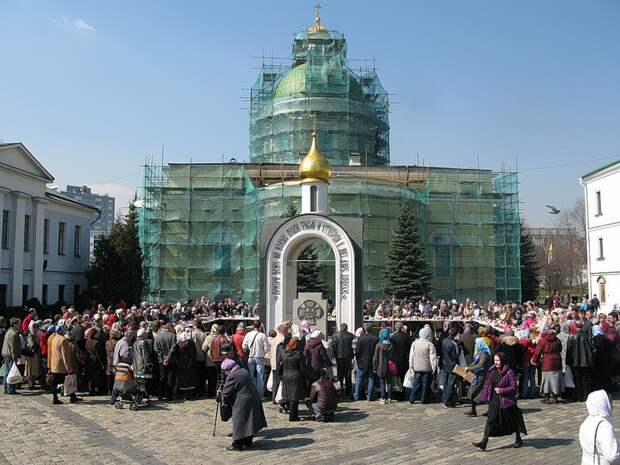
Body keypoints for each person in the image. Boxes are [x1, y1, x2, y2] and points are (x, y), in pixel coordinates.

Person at [472, 353, 527, 451]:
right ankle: (484, 442)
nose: (496, 362)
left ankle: (518, 438)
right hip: (494, 400)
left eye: (498, 360)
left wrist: (502, 390)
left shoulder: (509, 372)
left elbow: (514, 388)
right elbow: (488, 384)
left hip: (506, 401)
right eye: (495, 360)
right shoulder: (492, 371)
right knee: (490, 421)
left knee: (511, 421)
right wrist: (484, 395)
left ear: (503, 360)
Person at [220, 358, 268, 451]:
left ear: (229, 369)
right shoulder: (243, 371)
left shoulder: (233, 375)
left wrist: (221, 397)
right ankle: (248, 441)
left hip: (244, 401)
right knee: (250, 421)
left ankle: (237, 444)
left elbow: (227, 391)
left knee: (239, 421)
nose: (225, 373)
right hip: (252, 398)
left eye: (226, 371)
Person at [579, 390, 619, 465]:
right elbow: (612, 456)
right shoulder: (604, 426)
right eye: (609, 402)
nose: (612, 406)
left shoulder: (585, 423)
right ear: (602, 403)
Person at [49, 324, 81, 404]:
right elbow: (65, 355)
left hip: (55, 364)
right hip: (61, 365)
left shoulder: (54, 338)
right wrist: (69, 368)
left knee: (56, 382)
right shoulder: (63, 340)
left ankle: (58, 397)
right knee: (68, 380)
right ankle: (71, 397)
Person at [532, 329, 563, 404]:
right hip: (557, 361)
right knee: (556, 380)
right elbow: (560, 349)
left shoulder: (542, 341)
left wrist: (535, 360)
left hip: (547, 361)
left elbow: (537, 352)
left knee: (546, 381)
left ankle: (547, 398)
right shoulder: (557, 340)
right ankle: (555, 397)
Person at [408, 325, 437, 404]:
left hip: (417, 367)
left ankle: (412, 398)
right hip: (427, 367)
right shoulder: (430, 345)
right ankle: (424, 400)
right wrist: (434, 368)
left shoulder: (414, 343)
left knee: (416, 384)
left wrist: (411, 365)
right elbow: (433, 358)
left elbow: (411, 355)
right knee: (425, 385)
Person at [464, 337, 492, 417]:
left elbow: (480, 364)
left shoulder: (484, 353)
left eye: (476, 343)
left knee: (474, 391)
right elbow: (475, 362)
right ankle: (474, 410)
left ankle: (474, 410)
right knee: (478, 392)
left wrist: (469, 368)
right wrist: (467, 367)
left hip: (481, 375)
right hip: (478, 374)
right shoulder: (481, 352)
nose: (475, 345)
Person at [567, 320, 594, 402]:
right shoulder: (588, 336)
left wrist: (568, 361)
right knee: (586, 380)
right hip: (586, 362)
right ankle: (586, 396)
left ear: (575, 327)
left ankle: (579, 397)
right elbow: (592, 348)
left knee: (577, 380)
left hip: (576, 362)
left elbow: (569, 350)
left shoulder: (572, 337)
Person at [280, 336, 306, 421]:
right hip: (295, 375)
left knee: (288, 394)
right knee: (294, 396)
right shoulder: (299, 354)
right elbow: (302, 368)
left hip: (286, 375)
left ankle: (288, 410)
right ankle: (293, 416)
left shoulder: (284, 353)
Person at [242, 321, 270, 398]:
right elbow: (267, 348)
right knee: (260, 376)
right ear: (260, 326)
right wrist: (262, 351)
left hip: (250, 357)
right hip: (259, 356)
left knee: (251, 376)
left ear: (252, 326)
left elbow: (244, 347)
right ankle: (259, 395)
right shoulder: (262, 335)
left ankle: (251, 393)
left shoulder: (248, 334)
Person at [167, 331, 196, 400]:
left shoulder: (183, 345)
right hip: (188, 364)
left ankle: (184, 395)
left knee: (184, 381)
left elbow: (175, 351)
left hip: (184, 364)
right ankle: (188, 394)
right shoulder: (191, 344)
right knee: (188, 380)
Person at [354, 323, 378, 401]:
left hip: (362, 362)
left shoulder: (361, 338)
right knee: (371, 379)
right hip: (372, 362)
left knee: (359, 379)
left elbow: (357, 351)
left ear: (365, 329)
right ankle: (370, 396)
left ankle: (357, 395)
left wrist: (358, 360)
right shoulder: (375, 339)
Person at [332, 322, 355, 399]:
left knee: (340, 375)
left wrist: (335, 356)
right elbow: (353, 347)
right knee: (348, 375)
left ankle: (340, 391)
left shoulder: (335, 335)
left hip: (339, 357)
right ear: (347, 328)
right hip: (348, 357)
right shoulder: (351, 336)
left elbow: (334, 347)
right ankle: (348, 391)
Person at [154, 323, 176, 401]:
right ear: (169, 328)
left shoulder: (158, 336)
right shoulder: (172, 335)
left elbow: (156, 348)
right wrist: (168, 357)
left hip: (161, 360)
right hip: (171, 360)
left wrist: (162, 356)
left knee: (162, 377)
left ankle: (160, 395)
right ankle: (169, 396)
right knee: (170, 377)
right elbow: (173, 348)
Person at [133, 328, 155, 403]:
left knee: (139, 385)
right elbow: (146, 356)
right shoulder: (143, 343)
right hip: (142, 368)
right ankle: (144, 398)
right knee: (144, 385)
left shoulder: (135, 342)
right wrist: (149, 365)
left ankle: (140, 398)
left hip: (136, 367)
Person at [373, 328, 395, 404]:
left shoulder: (379, 345)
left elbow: (375, 358)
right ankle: (389, 397)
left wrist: (374, 367)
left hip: (381, 366)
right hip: (390, 366)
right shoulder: (391, 345)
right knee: (389, 382)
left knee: (382, 382)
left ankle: (383, 398)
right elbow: (394, 357)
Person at [390, 322, 411, 397]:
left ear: (395, 327)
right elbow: (410, 348)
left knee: (396, 377)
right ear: (402, 327)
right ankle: (403, 392)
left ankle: (396, 392)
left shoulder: (393, 337)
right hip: (404, 359)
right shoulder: (406, 336)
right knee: (403, 376)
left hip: (395, 359)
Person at [440, 327, 460, 408]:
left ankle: (444, 399)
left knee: (445, 383)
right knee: (451, 385)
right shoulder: (454, 344)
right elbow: (455, 355)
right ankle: (447, 401)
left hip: (445, 365)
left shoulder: (444, 341)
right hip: (453, 366)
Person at [2, 318, 22, 395]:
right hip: (10, 355)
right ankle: (10, 389)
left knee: (7, 372)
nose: (20, 325)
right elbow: (13, 347)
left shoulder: (8, 332)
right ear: (14, 324)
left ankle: (6, 388)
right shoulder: (13, 334)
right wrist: (14, 358)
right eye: (19, 324)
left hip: (6, 354)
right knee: (11, 372)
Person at [591, 325, 613, 392]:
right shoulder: (605, 337)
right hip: (606, 359)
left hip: (598, 359)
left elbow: (595, 349)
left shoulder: (595, 338)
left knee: (599, 375)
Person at [202, 323, 220, 398]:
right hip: (219, 360)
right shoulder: (220, 337)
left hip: (210, 360)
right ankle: (218, 392)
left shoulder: (208, 338)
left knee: (210, 378)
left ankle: (211, 393)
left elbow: (203, 348)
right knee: (218, 377)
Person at [191, 320, 207, 397]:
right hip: (202, 357)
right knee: (202, 375)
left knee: (195, 375)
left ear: (195, 325)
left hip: (194, 357)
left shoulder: (192, 334)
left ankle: (196, 390)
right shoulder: (203, 334)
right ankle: (202, 390)